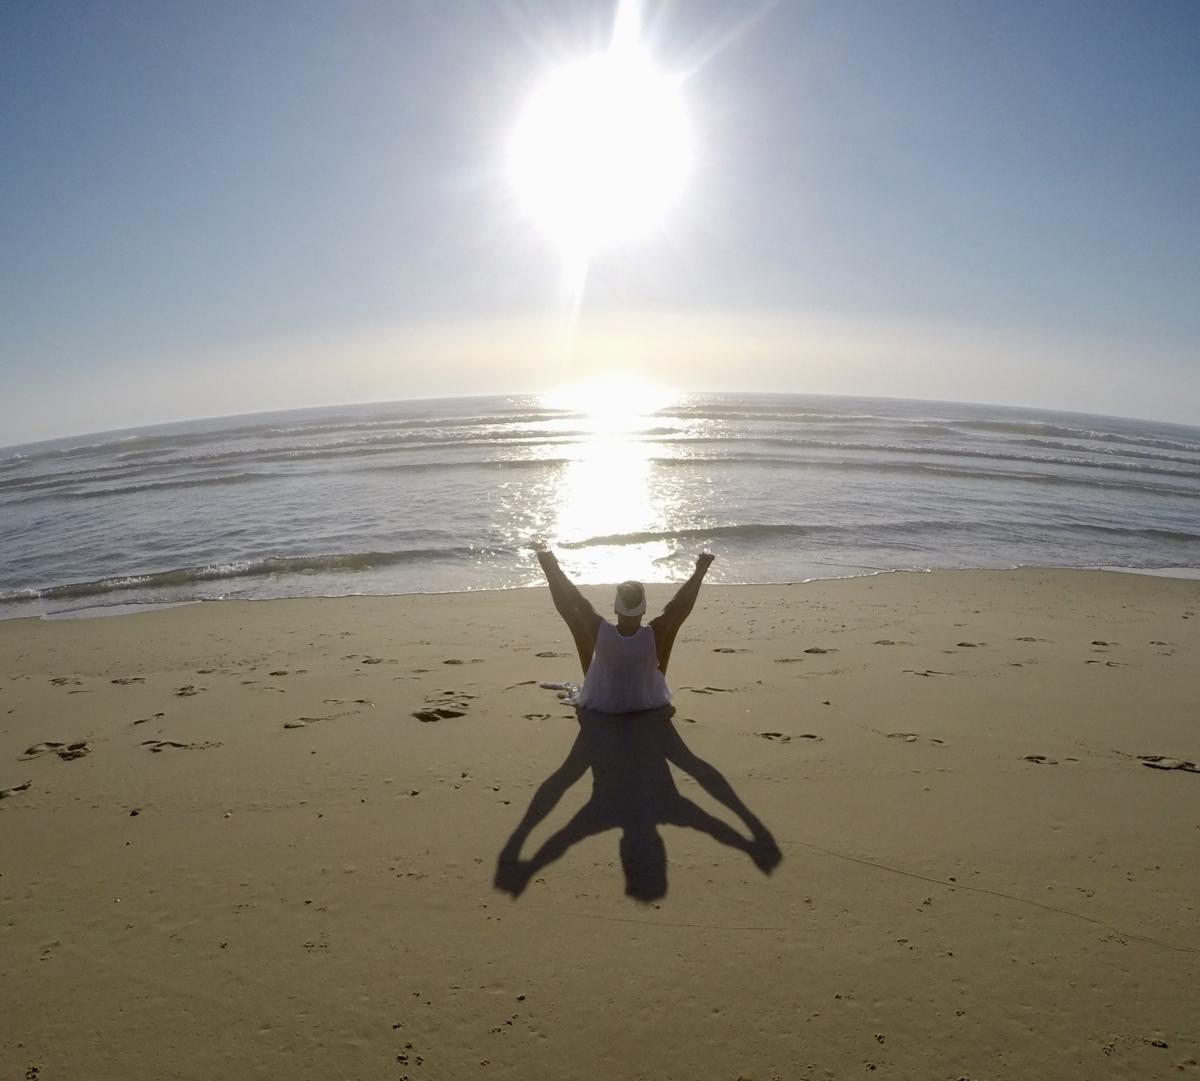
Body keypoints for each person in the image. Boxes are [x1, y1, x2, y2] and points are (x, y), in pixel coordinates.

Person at [535, 548, 715, 714]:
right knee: (673, 622)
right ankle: (701, 571)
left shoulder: (599, 629)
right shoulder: (656, 631)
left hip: (602, 702)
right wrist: (699, 572)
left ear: (616, 609)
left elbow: (574, 601)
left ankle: (549, 569)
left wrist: (553, 570)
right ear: (643, 610)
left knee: (575, 621)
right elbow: (679, 606)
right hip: (648, 701)